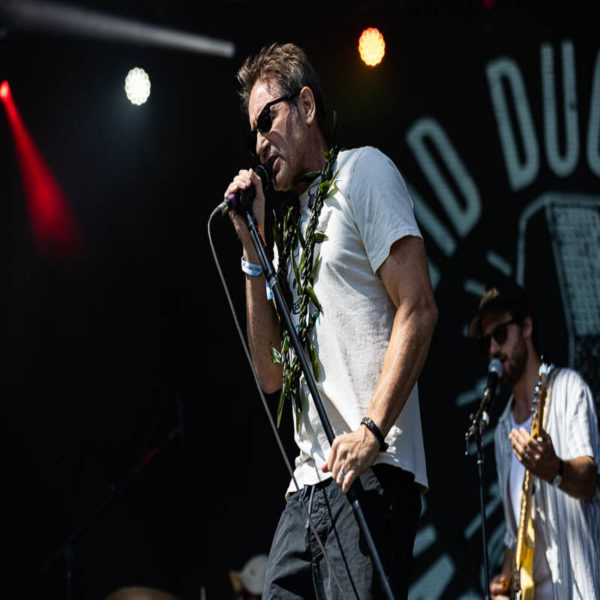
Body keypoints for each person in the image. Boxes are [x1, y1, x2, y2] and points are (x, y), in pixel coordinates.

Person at [224, 42, 438, 599]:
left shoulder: (363, 172)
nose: (259, 143)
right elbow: (271, 375)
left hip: (371, 469)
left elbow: (418, 306)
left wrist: (371, 431)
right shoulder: (286, 239)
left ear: (307, 106)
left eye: (267, 120)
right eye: (252, 133)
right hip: (306, 486)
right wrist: (253, 248)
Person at [468, 278, 600, 599]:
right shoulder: (503, 431)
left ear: (526, 326)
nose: (493, 350)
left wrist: (555, 469)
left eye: (500, 334)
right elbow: (515, 534)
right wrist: (504, 582)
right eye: (486, 342)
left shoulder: (568, 388)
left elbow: (589, 481)